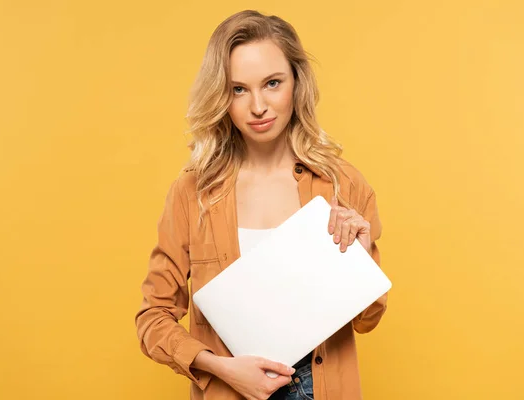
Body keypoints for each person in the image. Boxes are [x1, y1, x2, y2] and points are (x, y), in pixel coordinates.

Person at [135, 9, 389, 400]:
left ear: (296, 83)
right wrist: (221, 367)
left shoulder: (343, 184)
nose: (258, 106)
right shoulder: (193, 192)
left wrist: (362, 257)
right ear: (222, 94)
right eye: (239, 89)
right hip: (229, 388)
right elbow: (153, 317)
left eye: (272, 83)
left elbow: (368, 320)